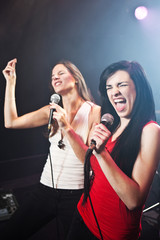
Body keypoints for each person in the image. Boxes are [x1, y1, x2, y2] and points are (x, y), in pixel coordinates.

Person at [1, 58, 101, 239]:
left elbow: (90, 162)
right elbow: (10, 122)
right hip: (44, 190)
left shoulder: (94, 112)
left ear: (76, 78)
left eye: (61, 73)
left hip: (76, 195)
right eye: (52, 76)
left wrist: (66, 127)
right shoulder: (51, 110)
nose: (55, 77)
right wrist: (10, 82)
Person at [65, 60, 160, 240]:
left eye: (121, 85)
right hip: (84, 214)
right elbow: (93, 163)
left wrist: (102, 154)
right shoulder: (113, 125)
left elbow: (134, 200)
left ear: (138, 88)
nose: (114, 91)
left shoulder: (150, 130)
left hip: (111, 233)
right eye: (109, 87)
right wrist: (67, 130)